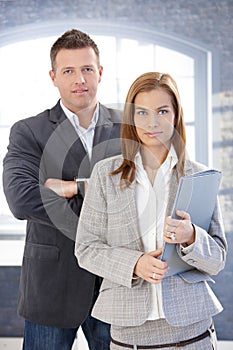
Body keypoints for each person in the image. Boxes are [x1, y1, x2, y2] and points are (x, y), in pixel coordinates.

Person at [75, 72, 227, 349]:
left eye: (162, 111)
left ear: (175, 115)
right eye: (141, 112)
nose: (152, 122)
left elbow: (217, 259)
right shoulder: (104, 174)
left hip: (193, 332)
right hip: (129, 333)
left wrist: (192, 236)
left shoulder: (199, 176)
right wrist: (135, 264)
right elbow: (86, 249)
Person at [3, 29, 122, 350]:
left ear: (100, 72)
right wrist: (110, 197)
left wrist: (74, 187)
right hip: (51, 286)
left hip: (116, 283)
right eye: (68, 71)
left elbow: (144, 193)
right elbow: (21, 200)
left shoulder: (129, 128)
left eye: (86, 69)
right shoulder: (30, 131)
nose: (79, 79)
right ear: (53, 77)